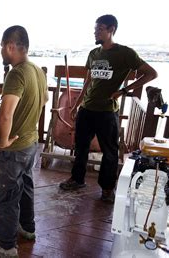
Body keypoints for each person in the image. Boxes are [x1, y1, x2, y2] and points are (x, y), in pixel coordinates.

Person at [59, 14, 158, 202]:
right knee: (80, 147)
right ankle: (77, 179)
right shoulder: (93, 54)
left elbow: (151, 73)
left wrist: (124, 90)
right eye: (95, 29)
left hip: (107, 111)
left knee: (110, 152)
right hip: (87, 110)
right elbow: (88, 82)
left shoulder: (124, 53)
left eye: (100, 29)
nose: (95, 32)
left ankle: (107, 188)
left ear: (111, 29)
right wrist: (77, 105)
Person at [0, 25, 48, 258]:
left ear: (10, 46)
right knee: (26, 187)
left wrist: (4, 141)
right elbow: (44, 100)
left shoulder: (17, 73)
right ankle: (27, 228)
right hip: (31, 143)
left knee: (7, 195)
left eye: (1, 46)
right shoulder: (37, 70)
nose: (0, 50)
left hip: (15, 147)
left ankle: (5, 246)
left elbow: (5, 113)